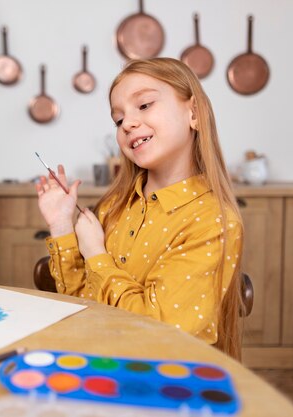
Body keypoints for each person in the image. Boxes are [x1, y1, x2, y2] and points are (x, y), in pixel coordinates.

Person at [36, 58, 244, 359]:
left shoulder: (212, 222)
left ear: (194, 113)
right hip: (100, 364)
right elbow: (80, 303)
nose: (128, 124)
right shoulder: (114, 207)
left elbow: (157, 331)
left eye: (144, 105)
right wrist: (61, 226)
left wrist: (96, 254)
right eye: (118, 120)